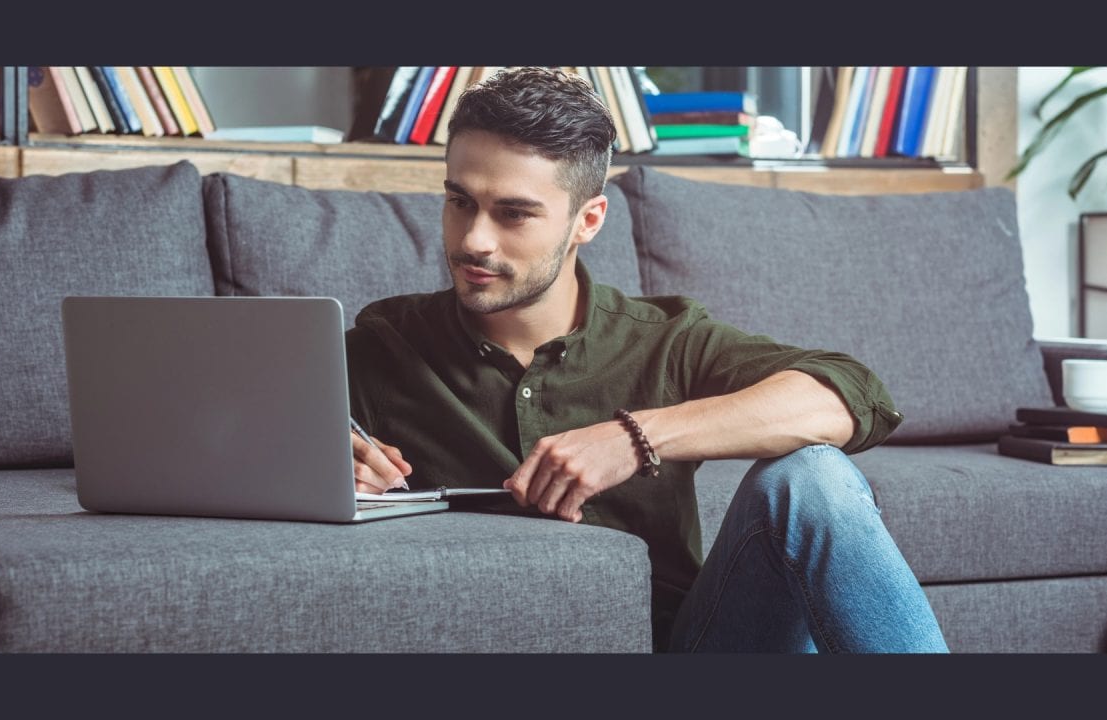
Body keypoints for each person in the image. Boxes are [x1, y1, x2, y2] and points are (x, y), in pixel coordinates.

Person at [344, 66, 949, 653]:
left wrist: (636, 437)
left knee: (813, 477)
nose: (474, 238)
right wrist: (335, 480)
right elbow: (258, 449)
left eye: (514, 213)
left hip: (691, 648)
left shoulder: (667, 340)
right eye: (459, 201)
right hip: (480, 639)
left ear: (588, 220)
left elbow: (852, 394)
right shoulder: (384, 343)